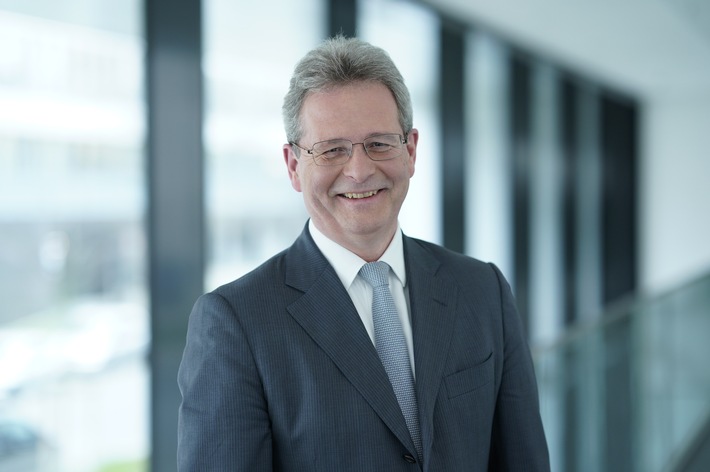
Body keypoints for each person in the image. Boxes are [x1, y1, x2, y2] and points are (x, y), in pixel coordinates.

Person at [177, 35, 550, 471]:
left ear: (411, 151)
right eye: (332, 149)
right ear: (294, 166)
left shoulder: (483, 291)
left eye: (379, 143)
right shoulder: (236, 323)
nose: (359, 170)